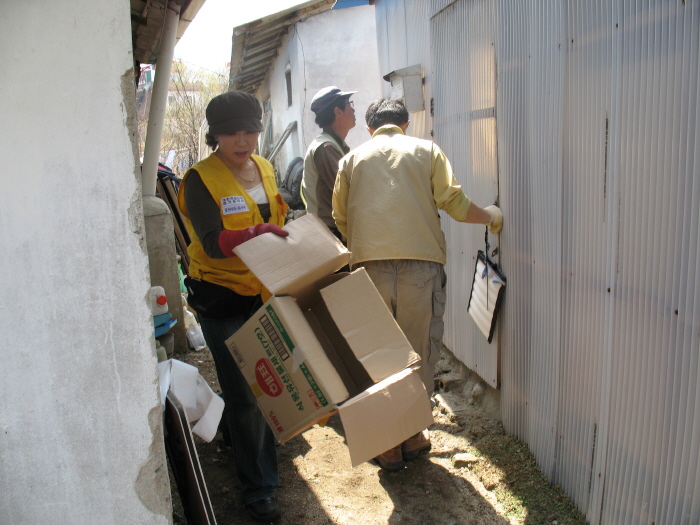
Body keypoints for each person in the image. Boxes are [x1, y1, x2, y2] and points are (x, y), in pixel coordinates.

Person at [332, 98, 503, 472]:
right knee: (417, 352)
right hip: (420, 268)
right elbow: (455, 205)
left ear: (369, 129)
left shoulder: (351, 160)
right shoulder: (427, 151)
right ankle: (411, 435)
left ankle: (389, 447)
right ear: (406, 125)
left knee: (379, 354)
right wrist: (490, 216)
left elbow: (341, 218)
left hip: (368, 269)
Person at [177, 91, 289, 522]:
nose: (242, 140)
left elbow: (277, 216)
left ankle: (235, 436)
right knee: (246, 395)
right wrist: (257, 232)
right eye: (231, 133)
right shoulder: (199, 179)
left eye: (250, 130)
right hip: (220, 296)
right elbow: (212, 243)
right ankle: (259, 489)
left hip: (262, 292)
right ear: (216, 135)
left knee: (263, 384)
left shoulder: (263, 167)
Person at [302, 86, 357, 240]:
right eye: (349, 104)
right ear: (337, 111)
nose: (353, 110)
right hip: (330, 234)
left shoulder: (332, 144)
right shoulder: (326, 147)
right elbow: (347, 193)